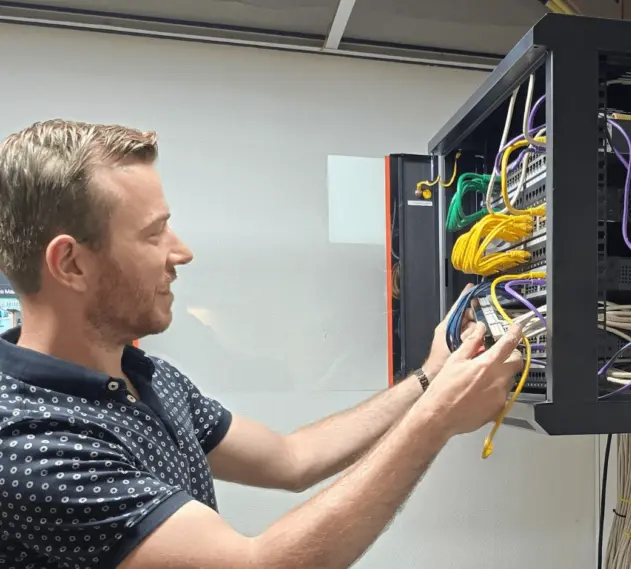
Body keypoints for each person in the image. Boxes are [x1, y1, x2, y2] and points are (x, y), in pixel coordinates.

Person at [0, 119, 523, 569]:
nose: (181, 252)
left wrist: (427, 380)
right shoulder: (30, 445)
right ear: (71, 263)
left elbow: (291, 458)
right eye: (154, 234)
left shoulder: (145, 376)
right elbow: (257, 564)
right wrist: (436, 419)